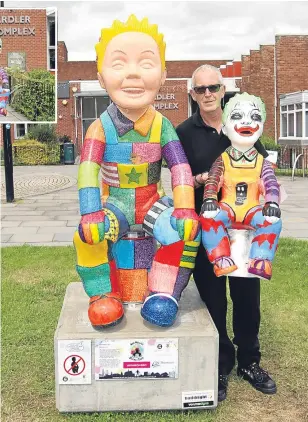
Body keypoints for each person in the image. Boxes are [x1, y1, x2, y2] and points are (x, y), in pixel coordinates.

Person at [74, 15, 200, 330]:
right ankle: (102, 294)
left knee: (183, 231)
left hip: (150, 202)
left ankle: (164, 293)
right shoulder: (99, 127)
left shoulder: (162, 125)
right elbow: (88, 169)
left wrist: (184, 208)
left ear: (163, 76)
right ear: (101, 77)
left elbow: (180, 167)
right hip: (115, 203)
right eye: (118, 64)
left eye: (145, 63)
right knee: (87, 236)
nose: (132, 73)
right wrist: (91, 213)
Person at [176, 64, 276, 402]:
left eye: (213, 88)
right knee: (213, 301)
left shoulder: (241, 122)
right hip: (208, 231)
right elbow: (178, 180)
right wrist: (202, 180)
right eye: (200, 89)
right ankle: (220, 364)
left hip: (244, 231)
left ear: (223, 90)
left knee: (247, 298)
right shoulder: (183, 132)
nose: (207, 94)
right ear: (192, 94)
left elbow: (263, 172)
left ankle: (249, 360)